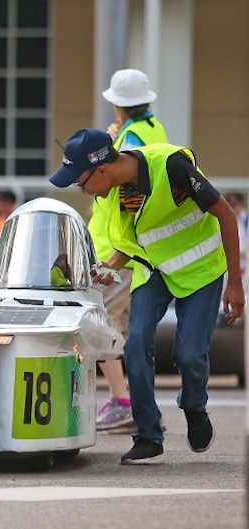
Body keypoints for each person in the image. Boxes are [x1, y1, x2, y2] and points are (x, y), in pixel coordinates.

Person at [50, 128, 245, 465]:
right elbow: (131, 239)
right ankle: (148, 434)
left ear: (101, 169)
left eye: (80, 183)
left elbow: (226, 215)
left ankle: (194, 406)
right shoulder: (111, 191)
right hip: (154, 271)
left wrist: (235, 284)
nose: (80, 190)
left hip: (201, 270)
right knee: (136, 343)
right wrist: (110, 267)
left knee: (187, 355)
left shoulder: (171, 166)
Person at [93, 68, 168, 432]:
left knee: (103, 321)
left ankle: (124, 402)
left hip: (119, 246)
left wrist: (113, 143)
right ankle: (139, 406)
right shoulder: (153, 130)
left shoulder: (131, 139)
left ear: (118, 105)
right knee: (124, 327)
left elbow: (121, 190)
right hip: (139, 245)